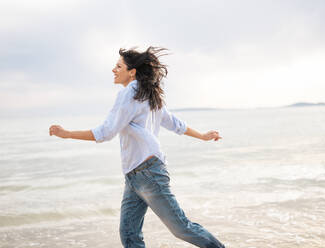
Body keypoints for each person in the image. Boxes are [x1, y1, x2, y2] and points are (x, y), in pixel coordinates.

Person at [49, 46, 225, 248]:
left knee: (180, 227)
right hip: (137, 174)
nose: (113, 70)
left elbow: (106, 132)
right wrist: (202, 136)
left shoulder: (129, 93)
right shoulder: (148, 93)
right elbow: (175, 123)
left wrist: (68, 134)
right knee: (130, 233)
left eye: (118, 66)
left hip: (147, 173)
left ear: (132, 71)